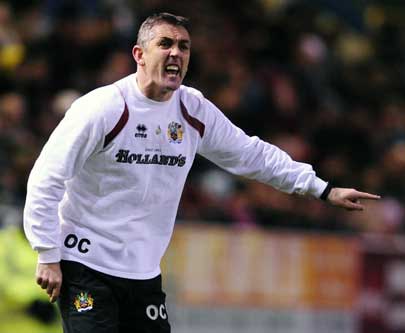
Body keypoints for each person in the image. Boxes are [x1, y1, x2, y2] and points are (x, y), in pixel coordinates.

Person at [23, 12, 380, 333]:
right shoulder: (102, 108)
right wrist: (48, 253)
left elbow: (250, 153)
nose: (176, 53)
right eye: (165, 44)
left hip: (143, 272)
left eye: (184, 46)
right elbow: (46, 178)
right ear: (139, 55)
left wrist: (322, 189)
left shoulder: (192, 110)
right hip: (85, 265)